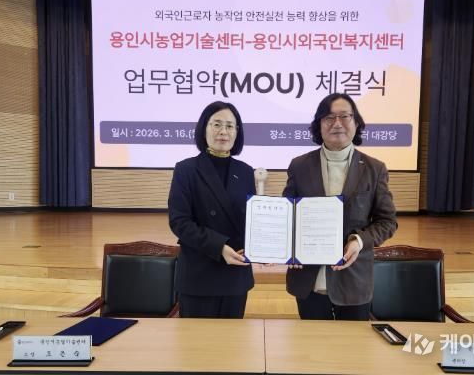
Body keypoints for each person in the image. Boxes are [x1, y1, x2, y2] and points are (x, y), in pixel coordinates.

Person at [283, 93, 398, 320]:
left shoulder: (374, 168)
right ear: (319, 125)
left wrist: (359, 241)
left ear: (356, 122)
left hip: (354, 279)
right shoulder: (299, 166)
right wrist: (289, 247)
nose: (337, 123)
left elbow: (387, 221)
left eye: (344, 116)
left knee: (353, 343)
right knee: (311, 340)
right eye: (329, 117)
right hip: (308, 278)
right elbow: (288, 216)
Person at [168, 101, 255, 318]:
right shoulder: (186, 169)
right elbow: (179, 222)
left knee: (233, 339)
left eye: (230, 126)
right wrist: (219, 247)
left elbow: (251, 221)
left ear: (237, 132)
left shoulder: (246, 172)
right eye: (216, 124)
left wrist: (262, 247)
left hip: (235, 275)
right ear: (203, 128)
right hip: (199, 275)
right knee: (197, 340)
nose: (223, 131)